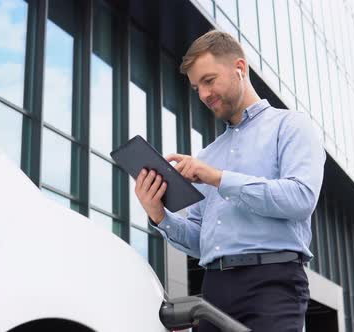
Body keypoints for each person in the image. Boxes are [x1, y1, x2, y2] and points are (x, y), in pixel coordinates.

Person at [134, 30, 325, 331]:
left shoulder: (291, 126)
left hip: (273, 284)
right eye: (197, 87)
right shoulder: (208, 155)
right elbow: (200, 239)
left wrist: (219, 179)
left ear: (240, 68)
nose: (203, 95)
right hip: (215, 288)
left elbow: (301, 198)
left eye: (209, 81)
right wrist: (160, 216)